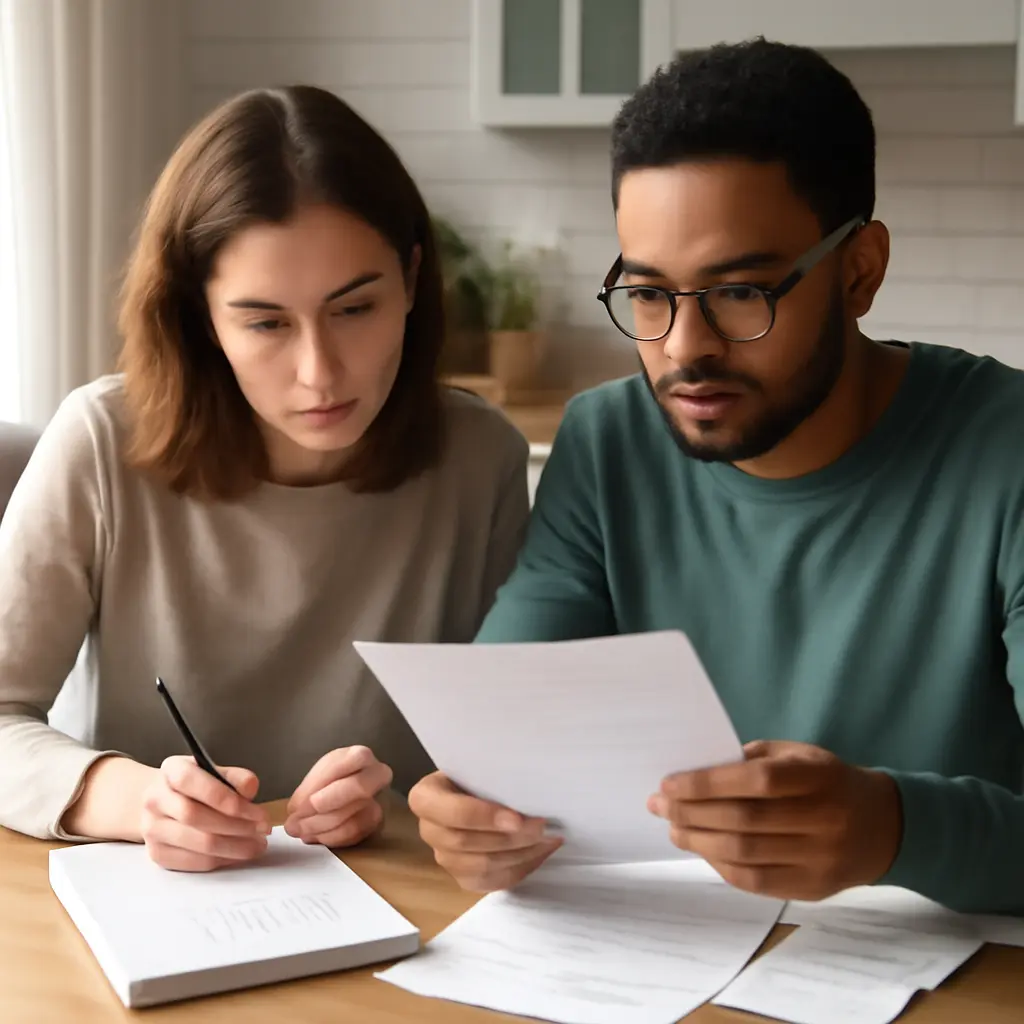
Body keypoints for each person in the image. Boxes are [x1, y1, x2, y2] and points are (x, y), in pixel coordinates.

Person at [407, 38, 1024, 916]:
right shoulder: (607, 439)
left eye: (742, 293)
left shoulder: (1006, 454)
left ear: (860, 272)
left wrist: (897, 831)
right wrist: (471, 813)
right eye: (649, 294)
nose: (684, 349)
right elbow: (502, 733)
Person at [0, 85, 529, 871]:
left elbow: (511, 742)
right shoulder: (100, 442)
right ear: (199, 318)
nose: (320, 373)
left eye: (355, 309)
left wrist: (410, 799)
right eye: (265, 322)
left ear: (412, 280)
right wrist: (140, 801)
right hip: (140, 902)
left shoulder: (480, 458)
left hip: (392, 901)